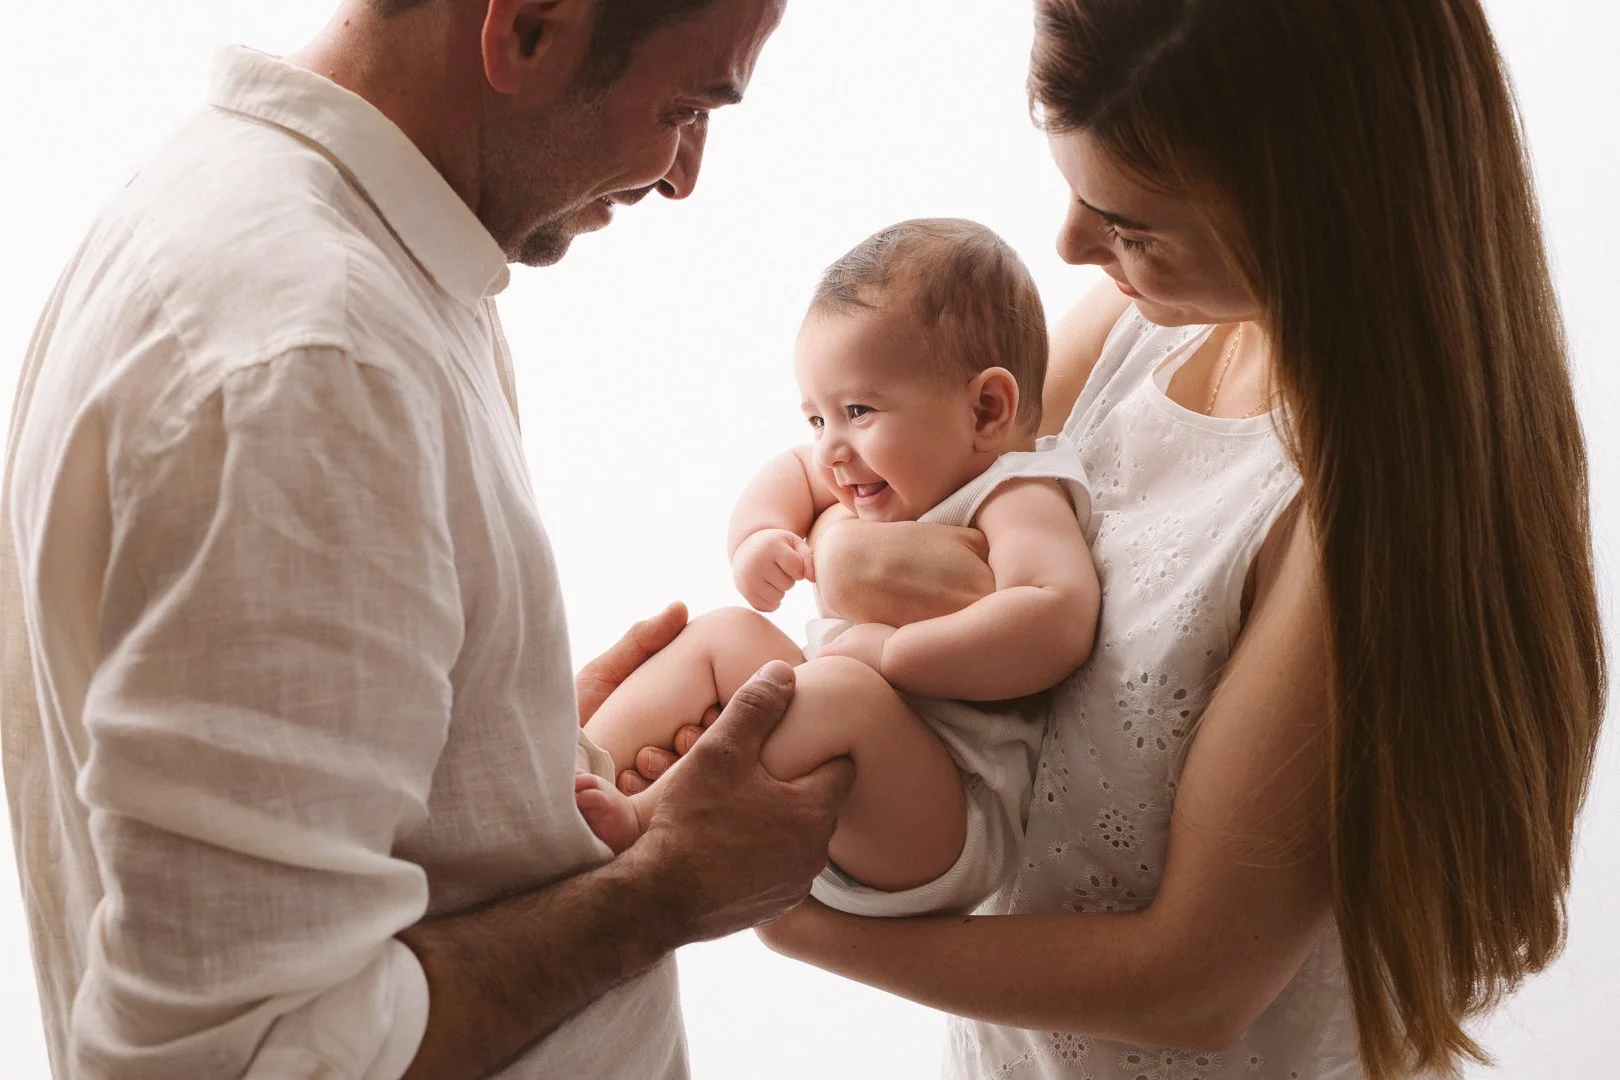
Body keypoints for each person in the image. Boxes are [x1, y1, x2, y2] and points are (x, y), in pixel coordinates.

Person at [621, 1, 1609, 1077]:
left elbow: (1195, 983)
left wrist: (786, 919)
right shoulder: (1143, 321)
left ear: (1311, 214)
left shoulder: (1356, 519)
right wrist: (848, 557)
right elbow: (919, 476)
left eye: (1131, 223)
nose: (1072, 246)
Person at [0, 1, 858, 1078]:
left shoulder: (283, 215)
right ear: (530, 27)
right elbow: (238, 1060)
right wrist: (673, 887)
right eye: (683, 107)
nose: (684, 175)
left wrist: (506, 759)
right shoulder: (311, 359)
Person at [578, 218, 1100, 918]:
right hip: (840, 776)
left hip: (947, 815)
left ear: (985, 409)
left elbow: (1055, 614)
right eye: (816, 419)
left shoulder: (1016, 492)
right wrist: (758, 536)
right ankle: (571, 771)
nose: (829, 449)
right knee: (727, 633)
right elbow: (792, 470)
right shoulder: (885, 469)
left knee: (840, 691)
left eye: (857, 410)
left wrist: (893, 652)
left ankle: (652, 822)